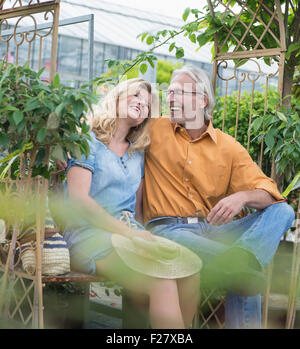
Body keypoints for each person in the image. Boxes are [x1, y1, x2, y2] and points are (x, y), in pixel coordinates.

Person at [139, 64, 295, 329]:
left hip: (210, 231)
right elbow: (112, 129)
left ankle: (243, 261)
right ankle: (242, 264)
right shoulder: (153, 129)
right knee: (245, 273)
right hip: (167, 230)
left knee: (284, 211)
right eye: (170, 93)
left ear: (202, 100)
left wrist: (242, 197)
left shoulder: (228, 147)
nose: (170, 98)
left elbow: (271, 195)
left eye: (179, 93)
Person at [63, 77, 201, 329]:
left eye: (147, 105)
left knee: (190, 271)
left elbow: (136, 211)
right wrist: (130, 235)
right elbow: (79, 201)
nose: (141, 104)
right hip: (89, 236)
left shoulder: (137, 153)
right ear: (116, 98)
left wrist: (142, 237)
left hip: (129, 235)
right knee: (162, 282)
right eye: (135, 96)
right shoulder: (87, 141)